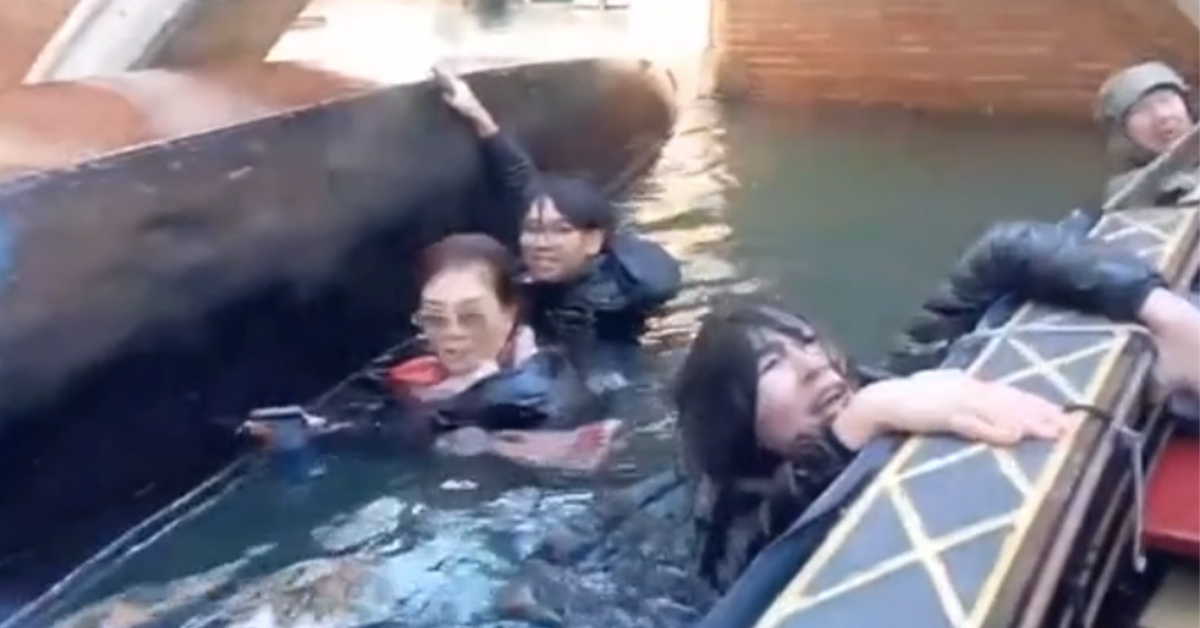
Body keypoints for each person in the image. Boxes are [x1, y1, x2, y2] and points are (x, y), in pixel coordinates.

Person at [675, 221, 1200, 591]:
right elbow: (749, 569)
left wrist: (1169, 316)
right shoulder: (723, 520)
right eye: (772, 366)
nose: (814, 365)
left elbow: (1000, 252)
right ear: (733, 417)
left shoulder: (904, 380)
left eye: (808, 343)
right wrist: (856, 427)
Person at [243, 233, 623, 473]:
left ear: (510, 313)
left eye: (471, 317)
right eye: (435, 318)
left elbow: (403, 433)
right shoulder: (421, 372)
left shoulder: (534, 385)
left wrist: (321, 432)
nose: (452, 336)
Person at [433, 66, 682, 360]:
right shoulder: (553, 261)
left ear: (592, 242)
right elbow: (519, 178)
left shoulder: (602, 304)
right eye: (532, 229)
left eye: (560, 230)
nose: (540, 243)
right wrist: (474, 111)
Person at [1095, 61, 1197, 204]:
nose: (1162, 115)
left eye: (1165, 100)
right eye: (1140, 110)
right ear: (1123, 133)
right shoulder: (1127, 193)